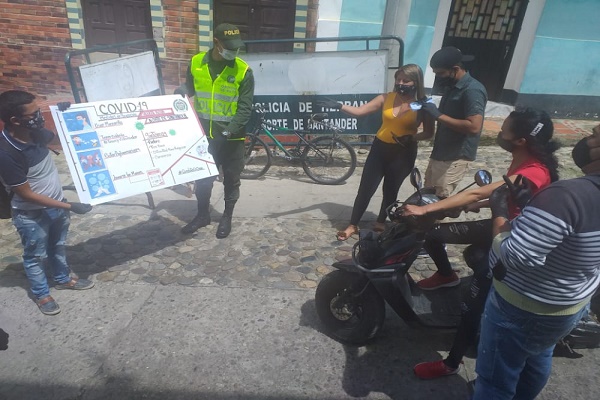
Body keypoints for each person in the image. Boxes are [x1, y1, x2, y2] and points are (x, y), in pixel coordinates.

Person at [403, 108, 560, 378]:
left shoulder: (533, 171)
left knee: (471, 305)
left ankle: (451, 364)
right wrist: (477, 205)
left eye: (504, 130)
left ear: (520, 140)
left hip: (511, 238)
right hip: (500, 223)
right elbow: (504, 195)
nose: (499, 132)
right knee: (434, 233)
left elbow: (477, 191)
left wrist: (427, 209)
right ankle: (446, 275)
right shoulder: (523, 159)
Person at [472, 123, 600, 399]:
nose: (589, 133)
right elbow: (575, 239)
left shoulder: (566, 196)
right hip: (568, 303)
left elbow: (515, 256)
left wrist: (499, 212)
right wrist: (530, 205)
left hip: (525, 306)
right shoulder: (570, 199)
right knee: (538, 355)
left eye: (594, 136)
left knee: (494, 382)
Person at [0, 90, 94, 316]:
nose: (39, 116)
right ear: (15, 120)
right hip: (31, 215)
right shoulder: (6, 153)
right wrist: (70, 206)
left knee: (58, 246)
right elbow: (26, 194)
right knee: (35, 256)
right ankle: (42, 294)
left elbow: (61, 140)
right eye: (34, 113)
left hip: (57, 206)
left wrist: (65, 117)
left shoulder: (36, 133)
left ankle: (63, 279)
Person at [319, 64, 434, 241]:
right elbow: (360, 112)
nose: (400, 83)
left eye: (406, 80)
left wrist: (412, 138)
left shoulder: (424, 105)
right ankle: (352, 225)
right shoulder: (386, 98)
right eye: (398, 79)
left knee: (391, 189)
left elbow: (429, 132)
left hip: (403, 152)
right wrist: (339, 105)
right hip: (379, 149)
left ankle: (380, 221)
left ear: (416, 82)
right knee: (366, 188)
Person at [176, 23, 255, 238]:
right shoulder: (196, 63)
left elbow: (245, 109)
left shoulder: (244, 71)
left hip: (232, 139)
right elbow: (191, 87)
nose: (234, 51)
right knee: (203, 179)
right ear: (216, 43)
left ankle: (227, 217)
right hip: (204, 137)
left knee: (231, 179)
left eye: (237, 47)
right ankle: (202, 215)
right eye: (230, 46)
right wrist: (182, 90)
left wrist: (228, 132)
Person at [420, 46, 487, 198]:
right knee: (427, 196)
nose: (438, 77)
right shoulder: (451, 86)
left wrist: (437, 114)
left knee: (440, 199)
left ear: (455, 69)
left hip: (455, 157)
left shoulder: (472, 90)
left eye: (440, 73)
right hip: (441, 152)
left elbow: (474, 127)